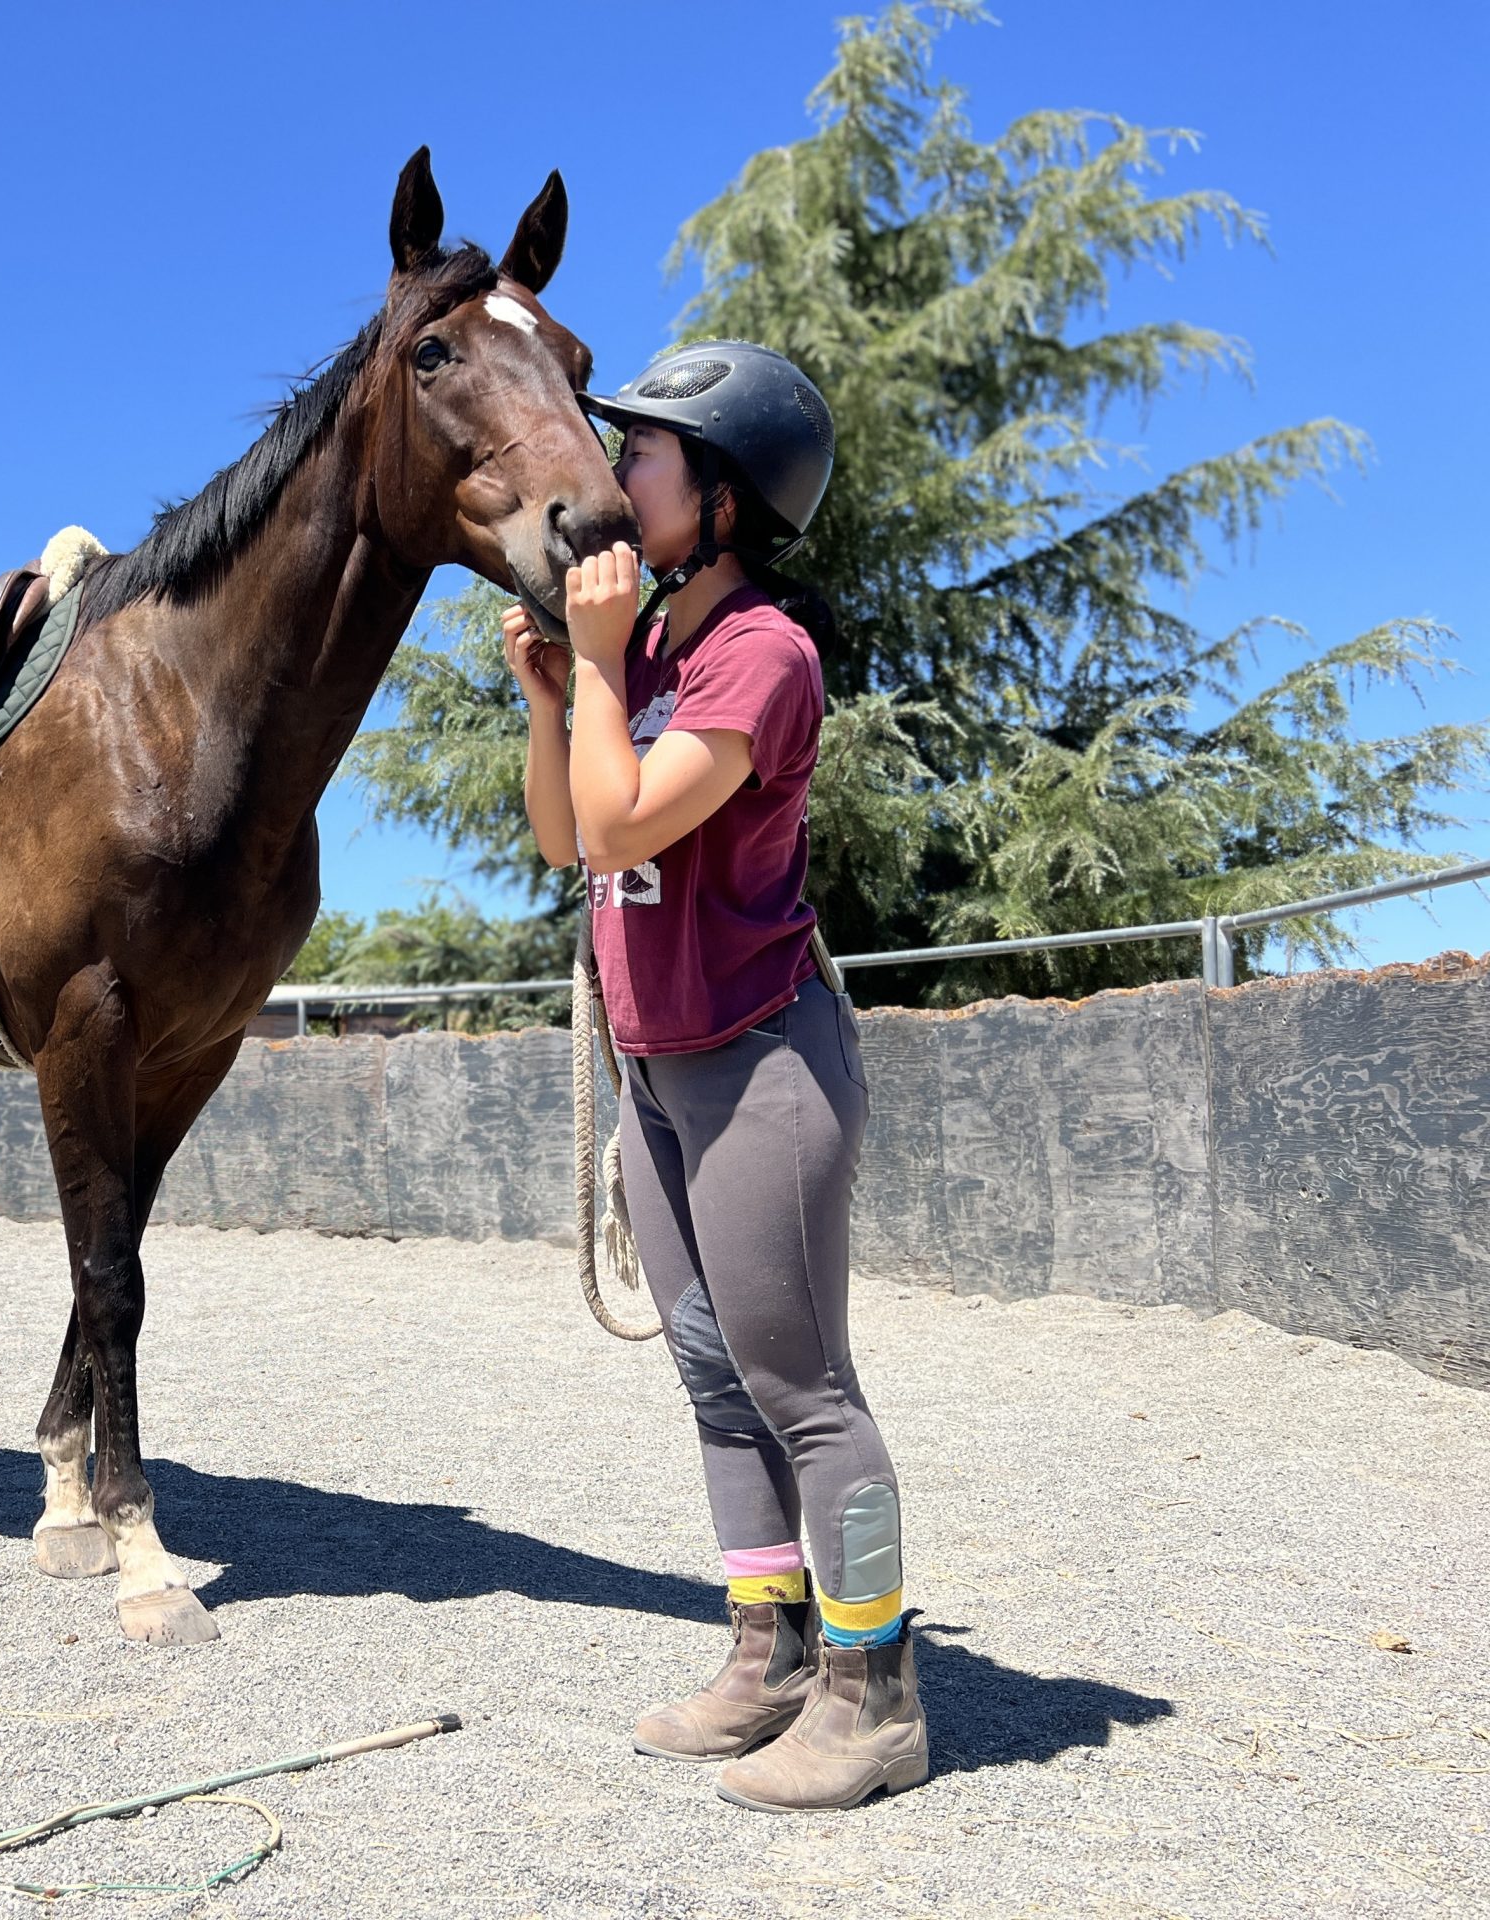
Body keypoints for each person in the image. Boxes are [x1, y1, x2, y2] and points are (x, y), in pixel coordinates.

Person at [503, 340, 927, 1813]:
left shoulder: (761, 656)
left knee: (803, 1387)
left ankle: (876, 1694)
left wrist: (598, 665)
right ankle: (770, 1654)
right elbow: (569, 838)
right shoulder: (655, 660)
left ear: (723, 498)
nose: (615, 475)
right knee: (711, 1370)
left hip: (759, 1065)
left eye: (644, 455)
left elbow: (627, 827)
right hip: (659, 1073)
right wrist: (558, 696)